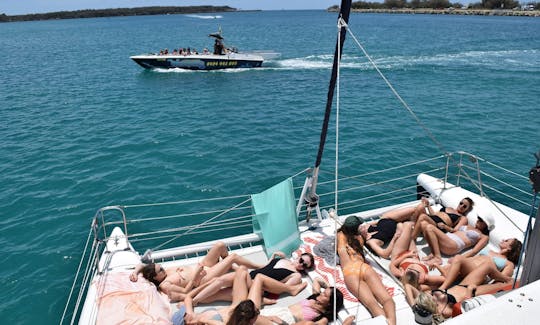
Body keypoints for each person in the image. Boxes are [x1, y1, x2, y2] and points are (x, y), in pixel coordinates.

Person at [178, 267, 345, 325]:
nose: (321, 294)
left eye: (326, 295)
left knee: (246, 278)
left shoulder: (320, 316)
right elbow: (316, 281)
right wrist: (323, 285)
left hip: (280, 318)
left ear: (330, 305)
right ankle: (289, 289)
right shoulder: (314, 299)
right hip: (269, 314)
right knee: (254, 277)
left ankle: (288, 290)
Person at [129, 241, 262, 301]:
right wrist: (196, 275)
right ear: (156, 277)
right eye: (161, 269)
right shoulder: (165, 285)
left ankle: (228, 267)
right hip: (203, 278)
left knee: (220, 246)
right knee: (232, 257)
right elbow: (186, 292)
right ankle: (258, 267)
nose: (163, 268)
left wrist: (135, 272)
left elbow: (141, 265)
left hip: (203, 266)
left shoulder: (163, 273)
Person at [187, 251, 314, 306]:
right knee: (218, 286)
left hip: (254, 286)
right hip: (249, 277)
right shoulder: (283, 259)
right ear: (299, 257)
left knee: (220, 286)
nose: (301, 264)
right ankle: (191, 299)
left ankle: (191, 300)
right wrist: (274, 255)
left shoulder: (296, 275)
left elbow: (279, 289)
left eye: (305, 265)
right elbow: (266, 268)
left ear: (305, 269)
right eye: (302, 260)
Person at [337, 216, 396, 325]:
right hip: (364, 267)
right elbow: (366, 229)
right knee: (388, 300)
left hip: (350, 271)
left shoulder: (340, 238)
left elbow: (343, 231)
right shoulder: (360, 238)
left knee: (372, 304)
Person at [436, 238, 522, 290]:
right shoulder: (490, 250)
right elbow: (473, 258)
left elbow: (500, 280)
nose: (503, 240)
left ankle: (442, 288)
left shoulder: (509, 264)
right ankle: (427, 290)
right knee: (440, 278)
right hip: (466, 267)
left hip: (478, 274)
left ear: (510, 248)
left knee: (458, 258)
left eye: (506, 241)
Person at [389, 222, 445, 290]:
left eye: (409, 269)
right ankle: (399, 231)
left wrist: (406, 255)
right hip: (413, 254)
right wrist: (437, 265)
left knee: (406, 225)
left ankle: (397, 233)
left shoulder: (402, 274)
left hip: (400, 254)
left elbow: (392, 265)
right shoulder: (424, 277)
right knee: (403, 228)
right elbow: (444, 278)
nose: (411, 268)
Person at [421, 214, 493, 265]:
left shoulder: (484, 236)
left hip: (453, 245)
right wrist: (445, 227)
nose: (478, 220)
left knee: (429, 227)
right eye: (478, 218)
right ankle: (433, 253)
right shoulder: (469, 226)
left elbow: (474, 251)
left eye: (481, 220)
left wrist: (458, 259)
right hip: (447, 238)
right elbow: (454, 231)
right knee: (424, 224)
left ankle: (438, 258)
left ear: (486, 225)